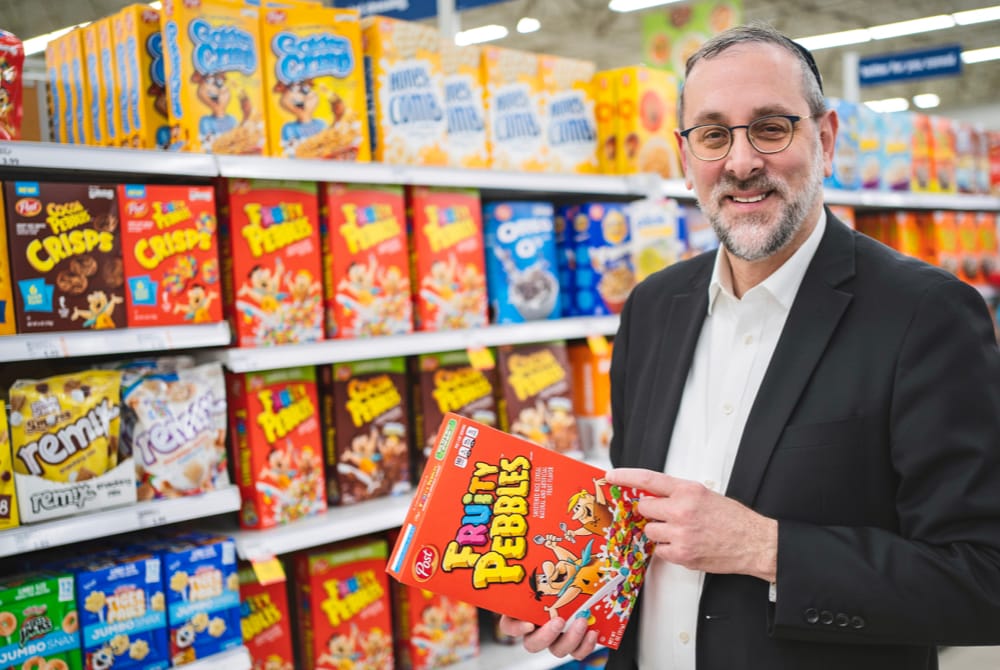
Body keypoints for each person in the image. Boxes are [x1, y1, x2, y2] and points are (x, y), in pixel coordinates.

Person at [499, 21, 1000, 669]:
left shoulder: (925, 314)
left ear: (825, 138)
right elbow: (641, 532)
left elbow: (983, 579)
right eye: (712, 135)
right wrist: (585, 600)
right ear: (686, 158)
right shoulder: (652, 307)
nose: (740, 163)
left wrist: (763, 547)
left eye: (771, 127)